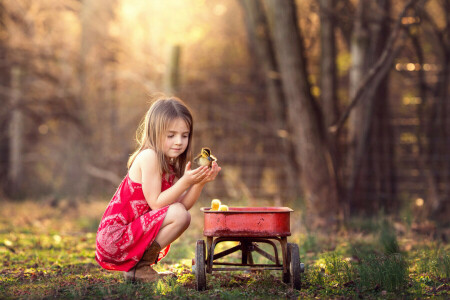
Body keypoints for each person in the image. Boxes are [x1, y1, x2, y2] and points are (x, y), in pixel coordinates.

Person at [95, 97, 221, 283]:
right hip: (115, 237)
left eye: (184, 135)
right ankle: (139, 268)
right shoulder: (149, 156)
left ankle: (140, 268)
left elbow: (181, 207)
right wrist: (185, 182)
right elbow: (156, 203)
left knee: (182, 215)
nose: (179, 142)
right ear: (155, 133)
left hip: (132, 235)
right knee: (179, 215)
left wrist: (198, 183)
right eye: (171, 135)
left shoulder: (170, 165)